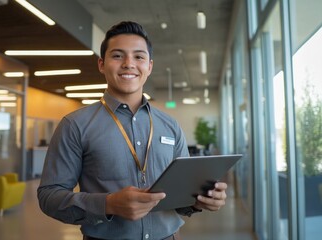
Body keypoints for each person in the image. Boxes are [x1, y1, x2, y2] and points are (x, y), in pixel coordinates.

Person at [37, 21, 228, 240]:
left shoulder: (170, 125)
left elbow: (181, 195)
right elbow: (49, 196)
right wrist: (108, 204)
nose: (129, 64)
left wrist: (200, 200)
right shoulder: (75, 125)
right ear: (101, 64)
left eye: (139, 57)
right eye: (117, 56)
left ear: (150, 66)